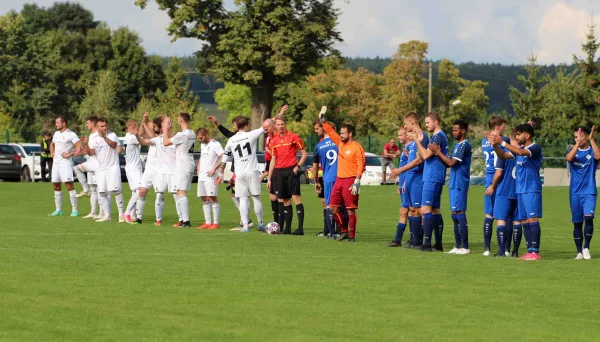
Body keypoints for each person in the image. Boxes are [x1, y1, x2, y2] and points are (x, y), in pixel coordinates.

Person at [491, 123, 543, 260]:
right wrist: (495, 145)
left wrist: (501, 141)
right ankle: (529, 250)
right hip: (520, 190)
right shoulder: (518, 149)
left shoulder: (534, 148)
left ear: (527, 135)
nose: (516, 136)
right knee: (524, 220)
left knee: (532, 219)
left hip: (531, 189)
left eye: (519, 134)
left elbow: (521, 152)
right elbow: (502, 155)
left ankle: (535, 252)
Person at [319, 107, 366, 242]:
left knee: (351, 210)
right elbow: (329, 130)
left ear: (350, 134)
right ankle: (344, 231)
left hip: (350, 181)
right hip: (339, 180)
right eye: (341, 133)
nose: (341, 135)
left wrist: (357, 181)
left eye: (344, 133)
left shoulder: (357, 147)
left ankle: (352, 236)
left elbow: (361, 165)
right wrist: (323, 120)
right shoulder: (339, 143)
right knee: (333, 208)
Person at [216, 116, 266, 232]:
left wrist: (220, 174)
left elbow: (224, 159)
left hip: (239, 174)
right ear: (246, 125)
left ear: (237, 127)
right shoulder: (251, 135)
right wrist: (278, 114)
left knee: (243, 199)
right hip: (252, 171)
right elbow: (266, 126)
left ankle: (245, 226)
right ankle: (260, 223)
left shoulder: (231, 140)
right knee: (256, 198)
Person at [430, 120, 472, 255]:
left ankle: (464, 247)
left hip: (460, 182)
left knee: (460, 213)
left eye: (456, 130)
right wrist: (439, 153)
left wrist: (438, 152)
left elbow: (452, 162)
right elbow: (448, 164)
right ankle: (458, 245)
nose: (453, 132)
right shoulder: (457, 145)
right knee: (454, 214)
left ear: (463, 131)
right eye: (453, 130)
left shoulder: (464, 145)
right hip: (454, 182)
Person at [390, 112, 428, 248]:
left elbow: (419, 160)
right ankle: (414, 240)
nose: (405, 127)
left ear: (412, 122)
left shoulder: (422, 137)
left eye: (406, 124)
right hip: (410, 178)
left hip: (417, 177)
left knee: (419, 210)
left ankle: (420, 241)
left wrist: (400, 171)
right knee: (412, 209)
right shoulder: (411, 143)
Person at [268, 109, 308, 235]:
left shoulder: (293, 137)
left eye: (282, 124)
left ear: (285, 125)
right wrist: (269, 178)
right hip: (279, 172)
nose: (280, 127)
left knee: (296, 198)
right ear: (275, 126)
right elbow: (273, 160)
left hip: (291, 170)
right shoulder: (273, 141)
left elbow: (304, 154)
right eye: (278, 125)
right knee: (285, 200)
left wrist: (297, 167)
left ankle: (300, 228)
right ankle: (287, 228)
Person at [208, 115, 252, 228]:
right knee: (235, 195)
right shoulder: (237, 136)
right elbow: (226, 132)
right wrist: (216, 122)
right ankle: (246, 219)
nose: (233, 126)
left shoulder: (245, 136)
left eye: (234, 124)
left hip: (242, 170)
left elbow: (227, 133)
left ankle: (247, 220)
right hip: (237, 170)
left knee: (241, 196)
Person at [412, 112, 448, 252]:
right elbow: (422, 155)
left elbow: (426, 155)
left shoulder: (438, 136)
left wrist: (416, 140)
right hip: (433, 176)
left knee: (425, 209)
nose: (426, 125)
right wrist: (420, 143)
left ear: (436, 122)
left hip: (433, 176)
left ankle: (427, 243)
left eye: (427, 123)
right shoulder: (435, 136)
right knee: (434, 210)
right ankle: (438, 244)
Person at [566, 125, 600, 260]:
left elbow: (598, 155)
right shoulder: (572, 151)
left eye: (580, 136)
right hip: (575, 192)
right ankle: (579, 251)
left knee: (589, 218)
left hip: (589, 191)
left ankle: (586, 247)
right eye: (575, 136)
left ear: (586, 136)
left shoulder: (592, 152)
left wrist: (592, 140)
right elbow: (569, 158)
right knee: (577, 223)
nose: (578, 138)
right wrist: (577, 143)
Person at [481, 116, 509, 256]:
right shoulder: (503, 141)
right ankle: (505, 249)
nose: (505, 128)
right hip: (500, 179)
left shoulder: (484, 141)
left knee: (489, 214)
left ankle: (486, 249)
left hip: (488, 178)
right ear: (498, 126)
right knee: (502, 215)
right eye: (504, 125)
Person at [163, 113, 196, 228]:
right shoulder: (192, 133)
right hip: (188, 164)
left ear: (181, 120)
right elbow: (175, 139)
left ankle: (186, 221)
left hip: (183, 166)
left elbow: (166, 142)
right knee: (178, 191)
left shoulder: (182, 135)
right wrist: (170, 129)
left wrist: (165, 128)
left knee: (181, 192)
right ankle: (182, 219)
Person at [313, 119, 343, 239]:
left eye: (317, 128)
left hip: (329, 178)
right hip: (342, 176)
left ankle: (331, 234)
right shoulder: (339, 142)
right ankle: (342, 231)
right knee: (342, 205)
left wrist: (316, 182)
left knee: (329, 205)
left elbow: (315, 168)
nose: (315, 131)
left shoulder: (319, 146)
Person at [493, 132, 521, 257]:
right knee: (517, 221)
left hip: (504, 191)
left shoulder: (504, 153)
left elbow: (499, 173)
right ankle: (515, 251)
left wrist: (493, 186)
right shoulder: (523, 152)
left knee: (501, 221)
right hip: (519, 191)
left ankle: (502, 251)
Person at [92, 118, 124, 223]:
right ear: (97, 127)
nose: (104, 128)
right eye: (102, 126)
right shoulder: (94, 138)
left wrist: (104, 137)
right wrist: (85, 148)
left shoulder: (112, 135)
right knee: (102, 192)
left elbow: (114, 145)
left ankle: (121, 215)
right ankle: (107, 216)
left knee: (116, 191)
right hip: (101, 169)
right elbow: (92, 152)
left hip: (112, 168)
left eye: (105, 125)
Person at [49, 116, 82, 217]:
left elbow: (79, 146)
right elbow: (52, 144)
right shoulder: (56, 133)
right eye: (56, 122)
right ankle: (58, 210)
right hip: (56, 163)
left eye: (58, 122)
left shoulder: (70, 134)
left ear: (64, 123)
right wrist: (52, 153)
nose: (56, 124)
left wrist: (69, 154)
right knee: (56, 185)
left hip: (65, 163)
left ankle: (75, 210)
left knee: (69, 185)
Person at [133, 113, 161, 225]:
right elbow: (140, 134)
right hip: (149, 169)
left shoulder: (162, 137)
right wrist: (144, 121)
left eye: (154, 127)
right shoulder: (151, 136)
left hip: (159, 170)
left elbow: (152, 136)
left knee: (159, 194)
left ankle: (158, 219)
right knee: (142, 191)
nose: (153, 128)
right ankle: (138, 218)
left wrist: (145, 123)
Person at [195, 127, 225, 229]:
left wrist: (214, 169)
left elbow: (223, 156)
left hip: (211, 176)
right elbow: (202, 157)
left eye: (201, 138)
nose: (200, 140)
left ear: (206, 134)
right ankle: (207, 222)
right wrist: (198, 166)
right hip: (202, 175)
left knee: (212, 198)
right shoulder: (203, 145)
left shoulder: (215, 144)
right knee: (204, 198)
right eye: (198, 138)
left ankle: (216, 223)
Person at [73, 116, 102, 219]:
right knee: (93, 188)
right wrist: (81, 152)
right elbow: (89, 152)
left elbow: (93, 151)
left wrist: (85, 145)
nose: (86, 125)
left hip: (97, 164)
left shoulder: (98, 135)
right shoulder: (91, 135)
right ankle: (93, 212)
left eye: (88, 123)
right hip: (91, 161)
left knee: (100, 189)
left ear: (93, 124)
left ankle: (102, 213)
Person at [387, 127, 410, 247]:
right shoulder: (406, 148)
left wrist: (405, 183)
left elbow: (411, 168)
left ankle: (413, 239)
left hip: (409, 184)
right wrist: (400, 183)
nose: (398, 137)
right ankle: (398, 239)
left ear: (407, 135)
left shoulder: (410, 148)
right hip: (404, 184)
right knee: (404, 211)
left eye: (400, 135)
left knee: (409, 211)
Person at [123, 119, 144, 223]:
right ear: (133, 127)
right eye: (137, 126)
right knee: (140, 190)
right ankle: (126, 213)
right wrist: (145, 122)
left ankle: (132, 215)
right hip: (134, 168)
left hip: (132, 167)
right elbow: (143, 138)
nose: (138, 128)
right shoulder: (132, 138)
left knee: (134, 192)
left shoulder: (127, 137)